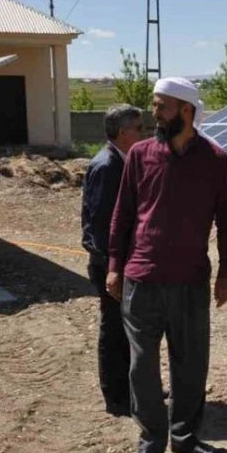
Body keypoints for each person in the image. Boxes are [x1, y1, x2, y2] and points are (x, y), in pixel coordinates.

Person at [107, 76, 227, 453]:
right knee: (140, 367)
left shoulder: (216, 160)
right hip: (142, 278)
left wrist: (226, 272)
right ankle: (151, 444)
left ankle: (185, 436)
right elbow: (123, 214)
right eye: (153, 104)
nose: (153, 112)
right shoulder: (140, 155)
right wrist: (115, 264)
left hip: (190, 281)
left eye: (160, 105)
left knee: (191, 364)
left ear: (185, 109)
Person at [80, 104, 144, 417]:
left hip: (119, 261)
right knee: (114, 329)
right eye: (139, 129)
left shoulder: (121, 162)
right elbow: (102, 222)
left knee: (128, 328)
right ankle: (116, 397)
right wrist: (113, 268)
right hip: (109, 264)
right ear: (122, 132)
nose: (143, 135)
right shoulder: (107, 166)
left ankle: (131, 389)